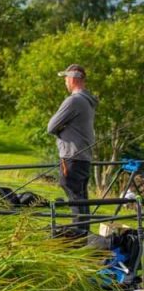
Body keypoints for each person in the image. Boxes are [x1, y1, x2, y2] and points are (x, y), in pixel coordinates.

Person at [47, 64, 98, 235]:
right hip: (83, 157)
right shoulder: (88, 101)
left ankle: (78, 235)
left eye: (66, 79)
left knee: (73, 192)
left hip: (72, 156)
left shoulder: (74, 100)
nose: (65, 82)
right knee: (81, 198)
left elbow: (51, 127)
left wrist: (62, 128)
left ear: (73, 78)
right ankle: (84, 233)